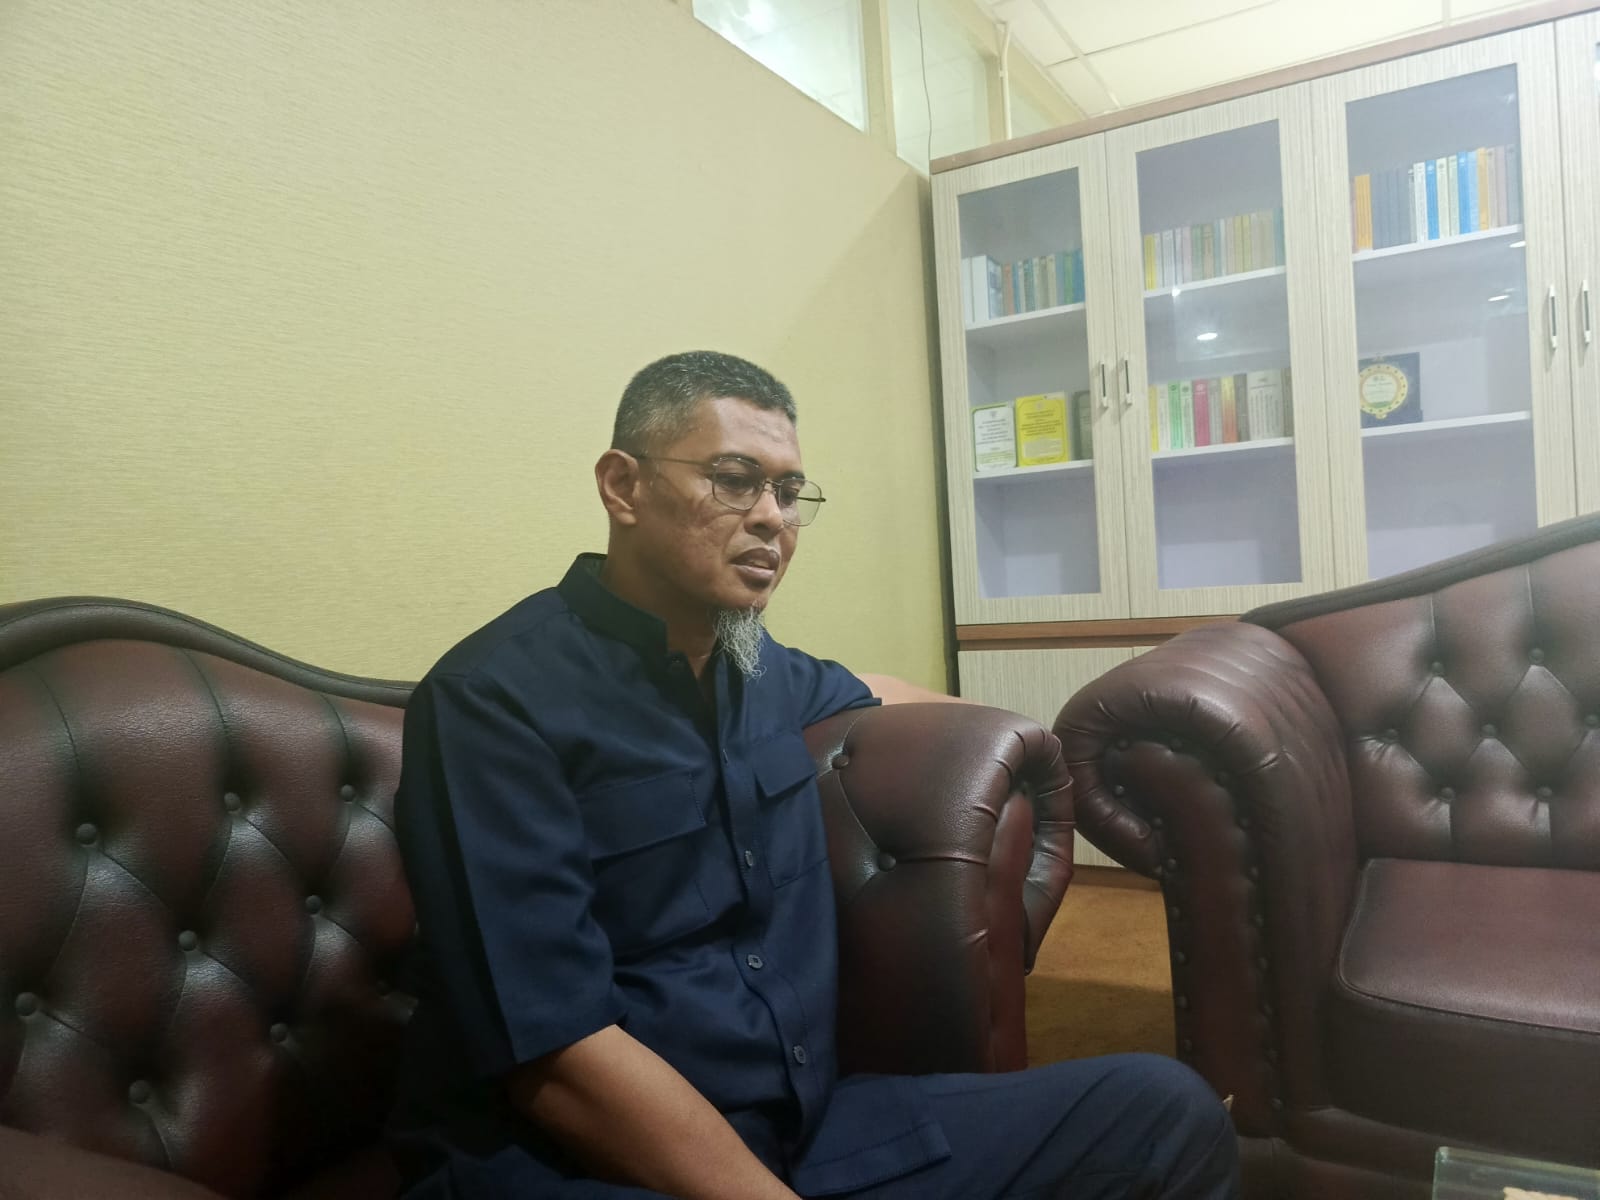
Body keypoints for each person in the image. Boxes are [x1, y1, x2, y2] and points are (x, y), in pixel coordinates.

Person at [388, 351, 1240, 1199]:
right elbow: (553, 1051)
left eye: (790, 492)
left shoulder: (755, 666)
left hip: (803, 1129)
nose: (773, 519)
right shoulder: (492, 702)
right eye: (735, 480)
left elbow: (878, 690)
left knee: (1162, 1112)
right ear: (623, 486)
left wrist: (1072, 760)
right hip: (581, 1160)